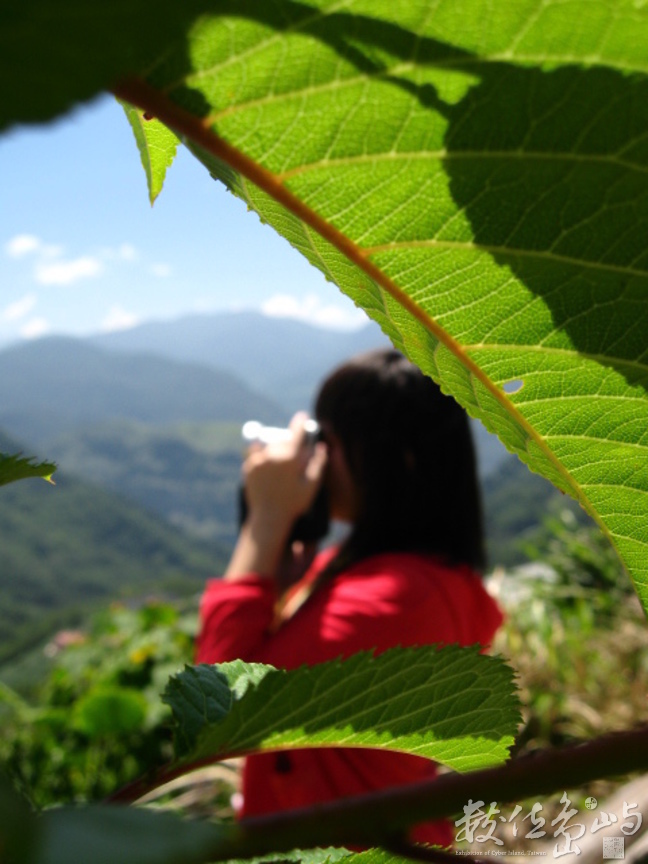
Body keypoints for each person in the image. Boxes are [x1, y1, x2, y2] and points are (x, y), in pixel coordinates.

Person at [196, 349, 503, 846]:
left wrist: (264, 522)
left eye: (328, 441)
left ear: (396, 457)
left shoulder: (396, 600)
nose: (314, 460)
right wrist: (276, 576)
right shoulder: (402, 575)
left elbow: (218, 712)